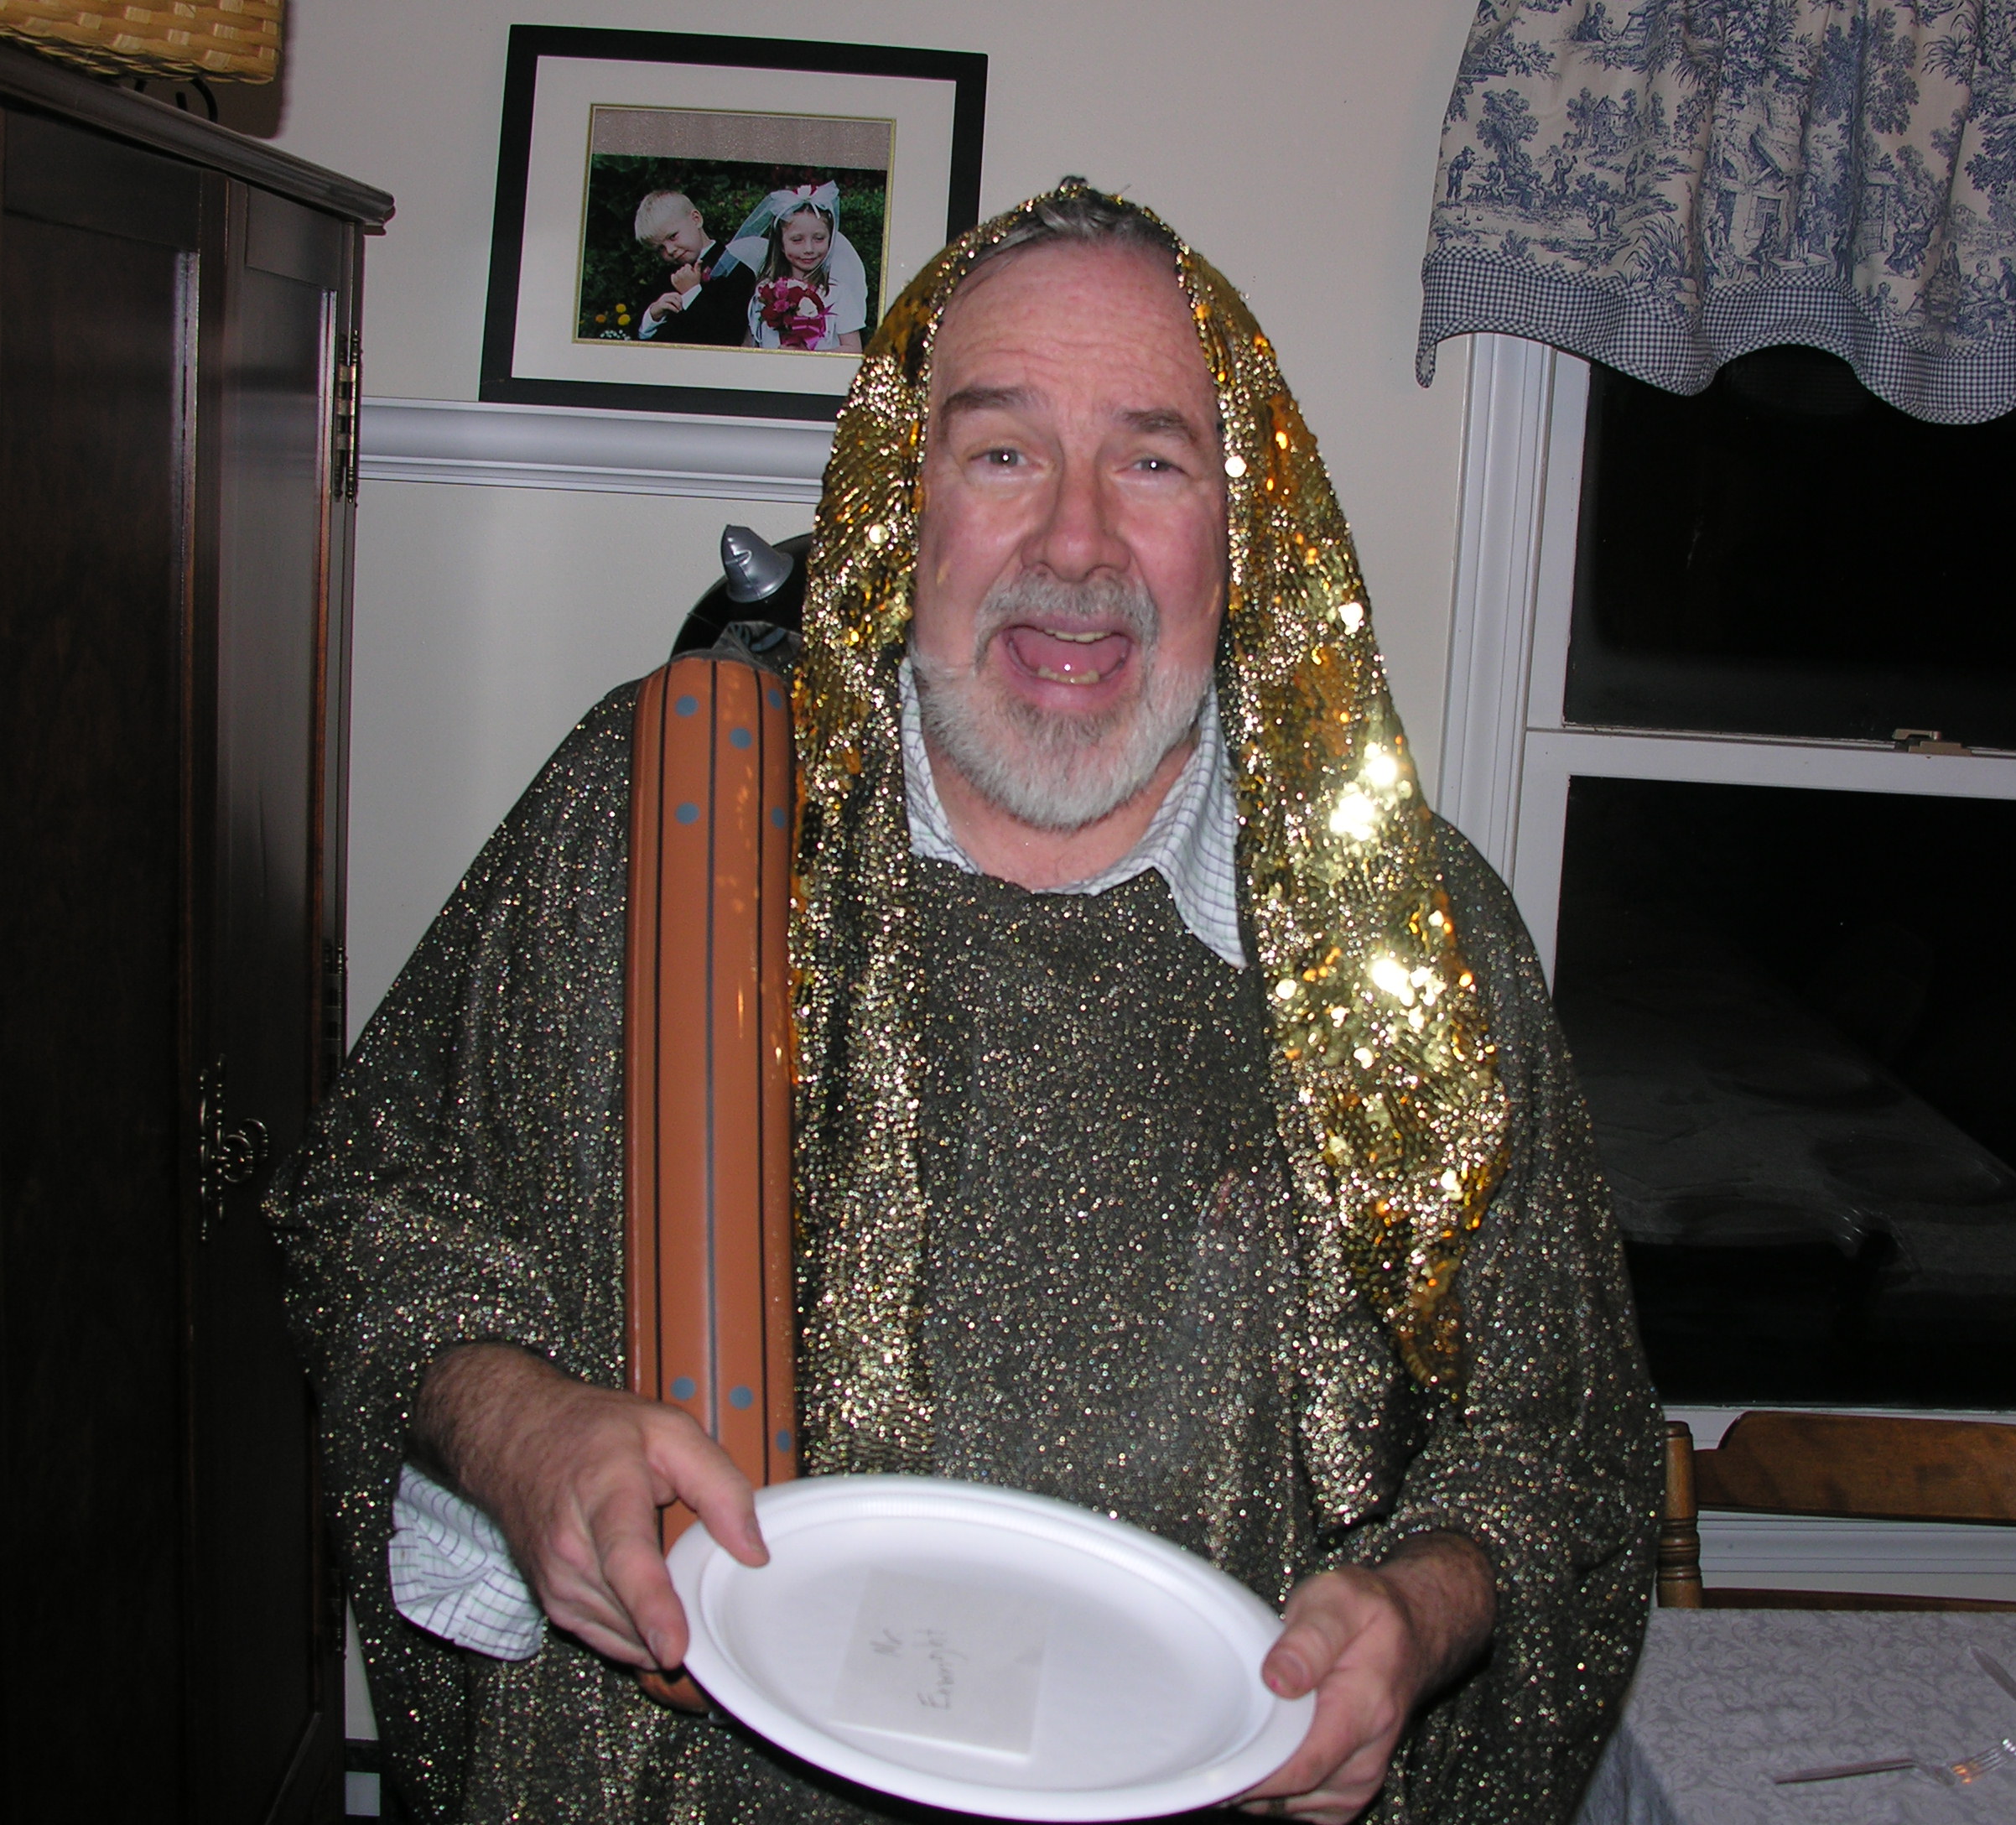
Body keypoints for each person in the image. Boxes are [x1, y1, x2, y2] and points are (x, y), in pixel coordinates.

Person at [272, 179, 1659, 1825]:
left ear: (1243, 526)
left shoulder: (1413, 933)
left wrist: (1422, 1611)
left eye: (1152, 460)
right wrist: (516, 1429)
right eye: (1002, 452)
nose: (1074, 543)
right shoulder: (658, 819)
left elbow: (1559, 1434)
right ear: (898, 500)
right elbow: (374, 1212)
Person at [734, 183, 868, 351]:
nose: (809, 249)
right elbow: (749, 346)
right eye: (797, 240)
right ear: (781, 244)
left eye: (819, 238)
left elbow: (854, 349)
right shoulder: (764, 292)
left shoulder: (838, 294)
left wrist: (806, 357)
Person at [631, 188, 756, 345]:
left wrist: (692, 293)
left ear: (696, 219)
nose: (670, 250)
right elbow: (638, 338)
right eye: (660, 248)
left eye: (673, 236)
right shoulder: (665, 277)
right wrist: (653, 316)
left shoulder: (737, 273)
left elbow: (726, 337)